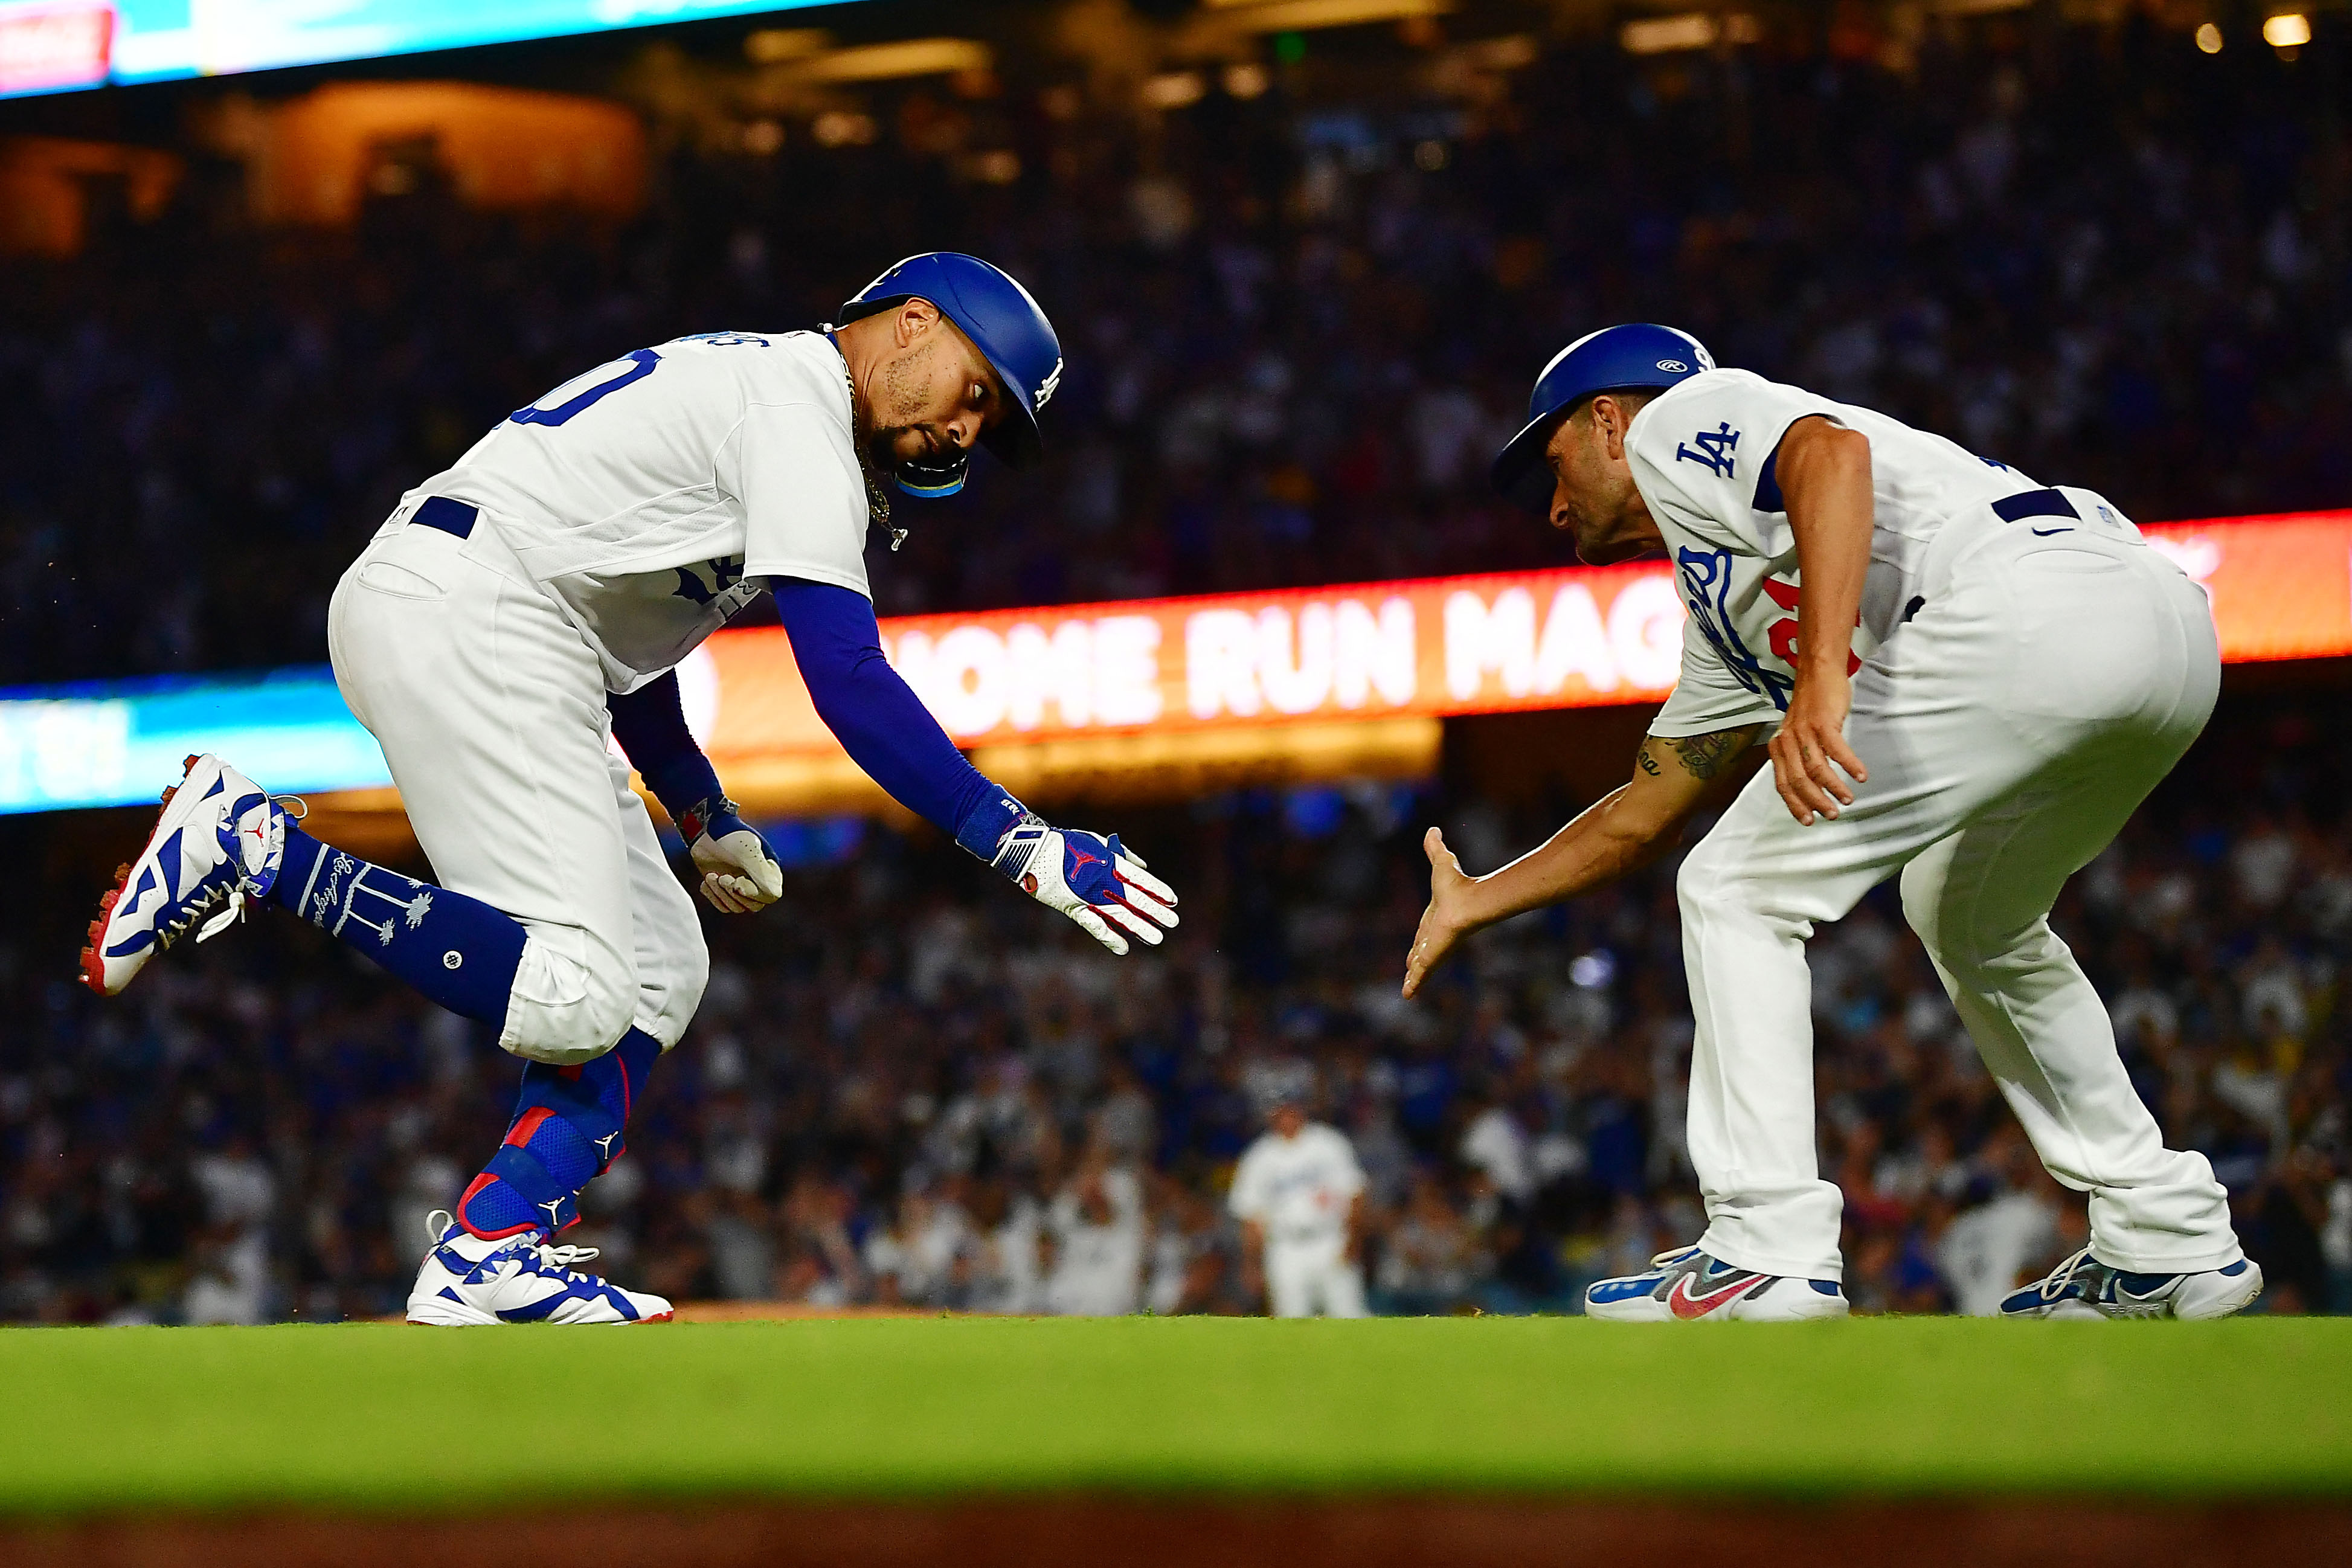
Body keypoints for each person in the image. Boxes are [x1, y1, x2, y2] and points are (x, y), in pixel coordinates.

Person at [80, 253, 1180, 1326]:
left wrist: (704, 810)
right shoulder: (796, 412)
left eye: (987, 424)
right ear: (910, 320)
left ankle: (490, 1254)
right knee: (578, 992)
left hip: (502, 612)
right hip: (474, 607)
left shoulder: (780, 399)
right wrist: (1018, 839)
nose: (964, 429)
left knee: (659, 968)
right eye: (974, 390)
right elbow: (845, 680)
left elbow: (630, 650)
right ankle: (260, 847)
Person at [1403, 324, 2260, 1322]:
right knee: (1966, 914)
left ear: (1604, 420)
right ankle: (2166, 1238)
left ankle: (1766, 1247)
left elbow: (1824, 452)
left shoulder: (1670, 418)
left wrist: (1818, 680)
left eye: (1551, 464)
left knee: (1735, 890)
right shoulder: (1724, 609)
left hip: (2027, 609)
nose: (1551, 507)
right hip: (2156, 630)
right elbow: (1641, 812)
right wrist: (1478, 897)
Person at [1228, 1092, 1368, 1318]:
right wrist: (1252, 1263)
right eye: (1281, 1112)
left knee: (1347, 1313)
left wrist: (1354, 1239)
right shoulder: (1259, 1156)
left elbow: (1355, 1194)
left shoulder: (1327, 1143)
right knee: (1291, 1318)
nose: (1287, 1117)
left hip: (1330, 1239)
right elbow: (1250, 1214)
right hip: (1284, 1246)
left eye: (1291, 1110)